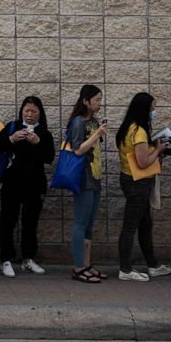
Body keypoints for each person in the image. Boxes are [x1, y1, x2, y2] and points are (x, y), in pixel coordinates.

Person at [0, 95, 55, 278]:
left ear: (39, 114)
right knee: (8, 220)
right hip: (12, 182)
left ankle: (28, 258)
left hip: (35, 184)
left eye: (33, 111)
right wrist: (12, 139)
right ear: (22, 112)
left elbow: (49, 157)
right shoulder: (12, 127)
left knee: (31, 222)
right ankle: (6, 259)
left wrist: (37, 143)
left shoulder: (44, 133)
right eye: (26, 111)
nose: (29, 115)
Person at [115, 92, 171, 282]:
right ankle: (125, 269)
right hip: (137, 182)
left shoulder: (127, 128)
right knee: (130, 226)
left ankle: (153, 264)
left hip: (130, 179)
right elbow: (143, 162)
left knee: (145, 224)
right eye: (152, 107)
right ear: (144, 109)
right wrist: (158, 149)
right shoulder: (138, 131)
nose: (154, 111)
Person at [67, 84, 107, 284]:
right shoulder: (78, 122)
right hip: (83, 178)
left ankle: (87, 264)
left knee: (89, 224)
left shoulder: (94, 121)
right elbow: (77, 150)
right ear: (85, 101)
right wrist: (97, 135)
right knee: (80, 223)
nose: (99, 103)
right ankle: (78, 267)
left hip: (95, 176)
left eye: (100, 99)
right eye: (97, 99)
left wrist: (98, 132)